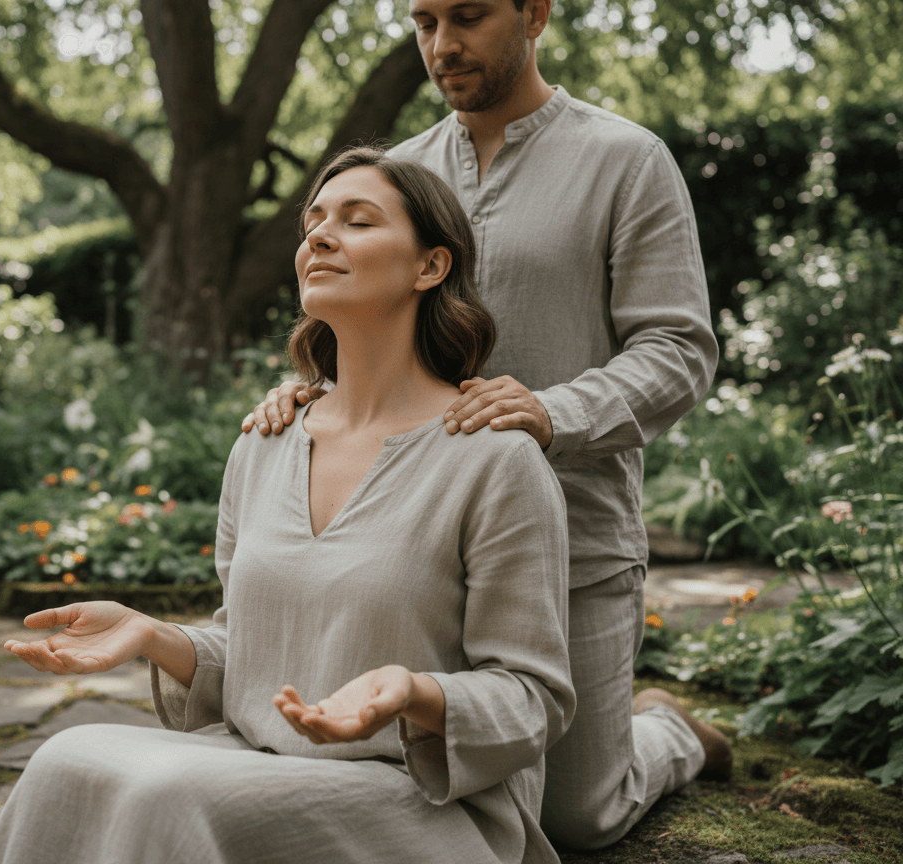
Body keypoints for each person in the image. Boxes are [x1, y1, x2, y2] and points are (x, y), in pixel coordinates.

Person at [0, 147, 575, 864]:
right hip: (259, 762)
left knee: (167, 799)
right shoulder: (264, 444)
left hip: (414, 800)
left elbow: (533, 697)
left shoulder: (494, 459)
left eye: (357, 222)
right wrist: (152, 635)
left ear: (431, 267)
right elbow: (255, 654)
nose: (319, 237)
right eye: (313, 222)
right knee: (65, 760)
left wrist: (415, 693)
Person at [243, 0, 729, 851]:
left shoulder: (627, 160)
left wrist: (552, 412)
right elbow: (360, 323)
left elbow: (679, 349)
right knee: (387, 771)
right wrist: (306, 390)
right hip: (403, 553)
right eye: (423, 22)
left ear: (535, 13)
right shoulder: (399, 173)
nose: (443, 46)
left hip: (574, 536)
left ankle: (669, 735)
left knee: (576, 818)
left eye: (466, 16)